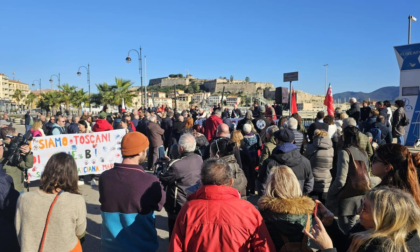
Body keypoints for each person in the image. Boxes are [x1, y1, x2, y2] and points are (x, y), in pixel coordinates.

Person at [169, 158, 275, 251]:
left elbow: (176, 247)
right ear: (231, 182)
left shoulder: (189, 210)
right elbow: (264, 247)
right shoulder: (248, 210)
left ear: (201, 182)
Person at [99, 132, 166, 251]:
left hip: (110, 247)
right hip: (142, 247)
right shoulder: (149, 181)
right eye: (145, 150)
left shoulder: (104, 177)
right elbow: (160, 204)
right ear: (140, 152)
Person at [306, 187, 420, 252]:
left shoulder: (382, 248)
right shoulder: (367, 228)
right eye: (361, 204)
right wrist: (331, 225)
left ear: (382, 218)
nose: (358, 210)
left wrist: (327, 249)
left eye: (365, 208)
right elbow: (346, 246)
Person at [15, 153, 86, 252]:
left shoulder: (23, 199)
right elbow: (80, 232)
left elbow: (19, 232)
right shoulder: (76, 200)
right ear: (73, 175)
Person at [258, 166, 315, 251]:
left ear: (270, 185)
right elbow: (308, 239)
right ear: (295, 184)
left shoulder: (265, 213)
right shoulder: (307, 212)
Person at [327, 126, 370, 234]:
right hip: (361, 194)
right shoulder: (363, 152)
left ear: (345, 136)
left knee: (345, 228)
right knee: (352, 224)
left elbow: (341, 179)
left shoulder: (345, 152)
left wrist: (331, 192)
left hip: (346, 196)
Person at [159, 133, 203, 237]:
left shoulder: (176, 165)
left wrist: (165, 167)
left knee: (176, 235)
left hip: (178, 205)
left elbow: (163, 179)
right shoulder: (198, 158)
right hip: (194, 201)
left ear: (181, 148)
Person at [260, 128, 314, 195]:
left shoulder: (269, 163)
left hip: (276, 203)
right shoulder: (305, 162)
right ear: (293, 141)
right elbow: (309, 186)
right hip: (297, 201)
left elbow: (263, 186)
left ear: (277, 141)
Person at [304, 129, 334, 203]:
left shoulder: (310, 147)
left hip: (313, 177)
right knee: (324, 202)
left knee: (313, 201)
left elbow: (305, 160)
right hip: (326, 178)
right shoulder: (331, 149)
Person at [0, 126, 33, 193]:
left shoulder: (3, 147)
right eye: (16, 136)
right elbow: (27, 165)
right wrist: (28, 153)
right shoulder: (14, 149)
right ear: (10, 137)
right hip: (15, 187)